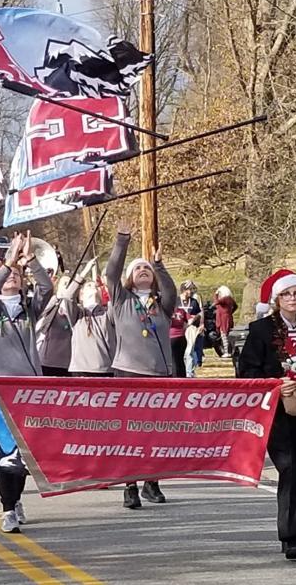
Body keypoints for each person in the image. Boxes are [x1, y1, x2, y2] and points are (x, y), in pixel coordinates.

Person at [237, 269, 296, 560]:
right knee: (288, 467)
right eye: (286, 294)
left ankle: (295, 535)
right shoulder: (261, 330)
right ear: (277, 299)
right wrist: (278, 384)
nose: (292, 298)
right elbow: (247, 372)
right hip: (276, 410)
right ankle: (289, 536)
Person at [0, 232, 54, 533]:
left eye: (16, 276)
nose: (12, 278)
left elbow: (47, 288)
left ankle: (16, 498)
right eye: (8, 276)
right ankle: (7, 507)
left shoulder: (29, 309)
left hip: (27, 388)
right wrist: (7, 263)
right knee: (4, 449)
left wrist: (30, 261)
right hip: (0, 386)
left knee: (23, 452)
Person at [105, 218, 178, 508]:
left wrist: (160, 265)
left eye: (147, 269)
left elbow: (171, 290)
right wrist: (123, 239)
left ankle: (152, 482)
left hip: (159, 374)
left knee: (156, 433)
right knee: (131, 432)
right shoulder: (121, 300)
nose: (143, 272)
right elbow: (111, 273)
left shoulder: (162, 304)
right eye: (138, 268)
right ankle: (130, 485)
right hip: (128, 372)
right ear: (130, 277)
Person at [63, 274, 112, 377]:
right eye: (88, 286)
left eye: (95, 286)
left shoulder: (107, 313)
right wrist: (81, 276)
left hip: (105, 369)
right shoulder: (77, 314)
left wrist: (108, 284)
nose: (93, 286)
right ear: (81, 294)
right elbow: (68, 297)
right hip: (80, 369)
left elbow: (117, 300)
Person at [36, 273, 74, 377]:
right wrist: (56, 298)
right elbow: (41, 310)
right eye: (65, 283)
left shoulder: (76, 308)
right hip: (47, 360)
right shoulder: (52, 303)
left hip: (68, 361)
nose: (68, 286)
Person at [170, 280, 202, 378]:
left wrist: (198, 322)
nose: (191, 291)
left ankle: (189, 374)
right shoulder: (176, 301)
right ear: (184, 290)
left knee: (189, 353)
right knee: (175, 358)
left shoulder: (193, 302)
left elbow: (196, 316)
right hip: (172, 335)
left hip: (188, 331)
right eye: (189, 289)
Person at [213, 286, 237, 359]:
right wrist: (230, 312)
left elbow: (216, 302)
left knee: (224, 335)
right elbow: (236, 306)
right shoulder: (230, 299)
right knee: (226, 335)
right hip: (228, 317)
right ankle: (229, 351)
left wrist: (216, 294)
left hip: (223, 319)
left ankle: (227, 352)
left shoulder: (224, 299)